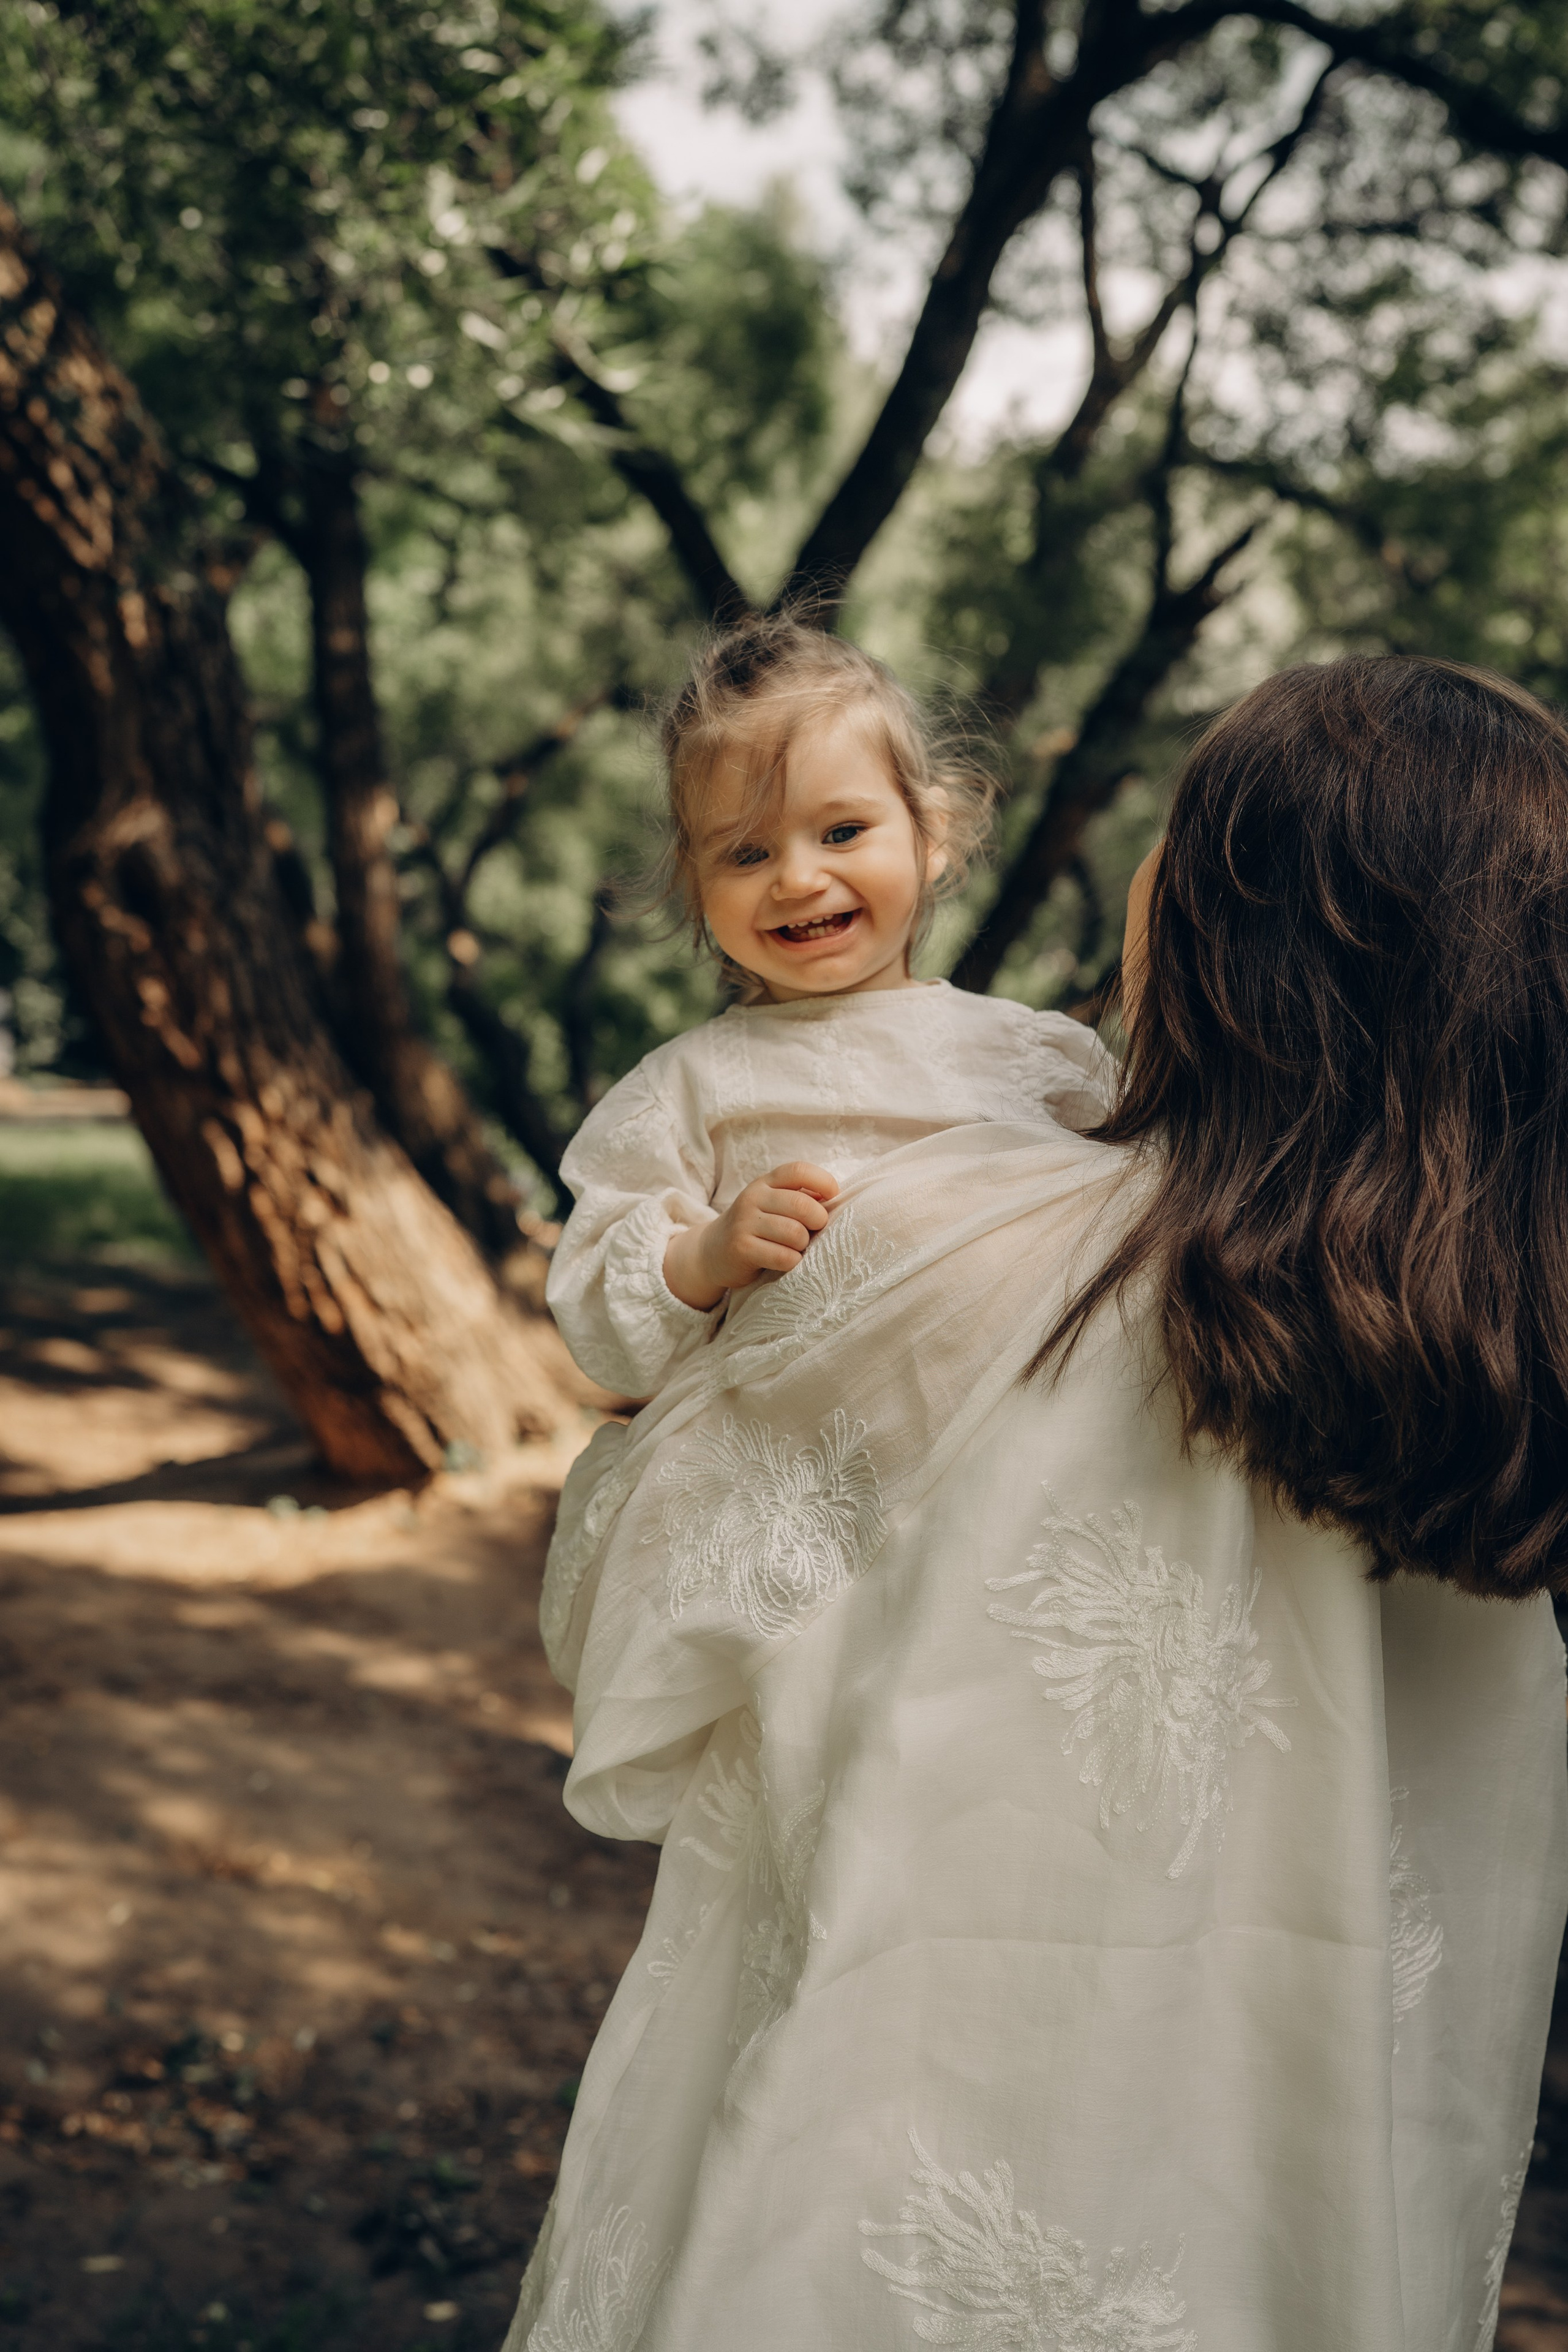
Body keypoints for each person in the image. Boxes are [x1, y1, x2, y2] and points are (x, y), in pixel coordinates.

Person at [505, 655, 1568, 2352]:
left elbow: (646, 1592)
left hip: (921, 2102)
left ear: (1231, 931)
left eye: (1180, 836)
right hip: (1280, 2184)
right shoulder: (1494, 1365)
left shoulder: (964, 1245)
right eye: (744, 851)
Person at [545, 612, 1115, 1403]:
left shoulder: (1038, 1059)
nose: (798, 879)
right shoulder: (684, 1089)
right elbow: (601, 1322)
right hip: (778, 1472)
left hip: (996, 1464)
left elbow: (1138, 1232)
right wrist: (704, 1258)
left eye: (842, 831)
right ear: (693, 880)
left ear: (932, 834)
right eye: (748, 851)